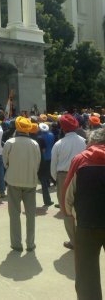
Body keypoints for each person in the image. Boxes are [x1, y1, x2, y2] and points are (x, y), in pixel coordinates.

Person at [63, 128, 105, 300]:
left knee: (87, 275)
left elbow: (67, 195)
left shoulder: (80, 160)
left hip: (86, 224)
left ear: (91, 142)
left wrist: (71, 213)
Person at [2, 117, 41, 252]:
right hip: (30, 182)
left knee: (14, 214)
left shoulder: (10, 142)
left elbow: (5, 162)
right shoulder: (34, 144)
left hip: (13, 181)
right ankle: (30, 244)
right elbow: (37, 164)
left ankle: (16, 244)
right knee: (31, 215)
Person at [51, 114, 86, 250]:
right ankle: (83, 238)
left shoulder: (59, 144)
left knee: (66, 210)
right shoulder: (84, 141)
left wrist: (58, 180)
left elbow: (53, 168)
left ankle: (73, 241)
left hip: (63, 177)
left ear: (63, 129)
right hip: (83, 175)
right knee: (81, 208)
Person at [37, 123, 55, 206]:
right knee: (49, 170)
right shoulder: (51, 135)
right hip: (50, 155)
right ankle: (52, 182)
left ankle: (47, 182)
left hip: (43, 157)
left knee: (44, 174)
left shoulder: (40, 137)